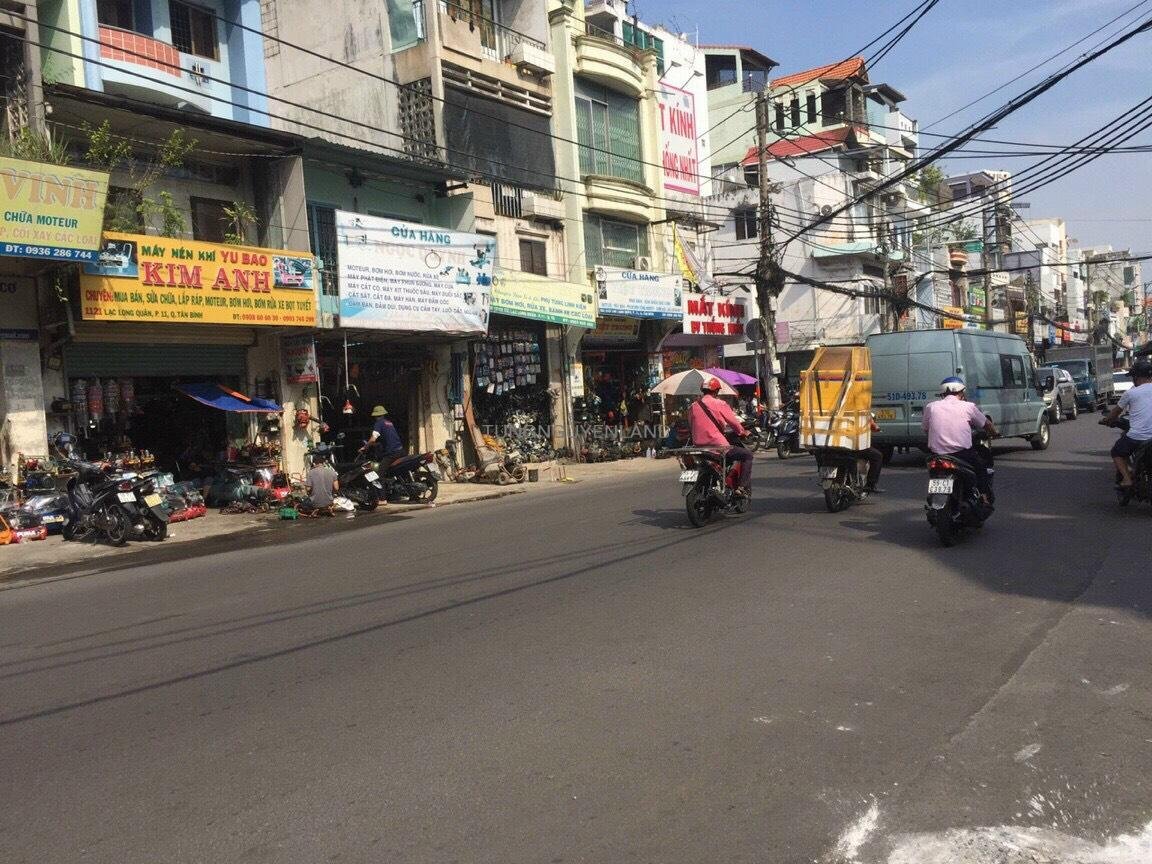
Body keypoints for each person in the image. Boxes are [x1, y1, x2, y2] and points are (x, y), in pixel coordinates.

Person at [922, 376, 998, 499]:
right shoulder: (968, 406)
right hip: (961, 454)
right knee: (981, 468)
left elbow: (926, 428)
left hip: (936, 455)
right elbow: (987, 424)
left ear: (942, 393)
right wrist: (995, 433)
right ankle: (984, 497)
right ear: (962, 392)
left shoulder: (931, 407)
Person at [688, 377, 753, 496]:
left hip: (698, 447)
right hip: (718, 447)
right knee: (747, 455)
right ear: (716, 391)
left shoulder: (693, 406)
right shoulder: (719, 403)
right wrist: (743, 432)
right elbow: (733, 422)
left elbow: (691, 424)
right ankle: (742, 487)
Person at [1100, 360, 1152, 488]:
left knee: (1116, 452)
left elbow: (1114, 413)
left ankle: (1127, 479)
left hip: (1138, 437)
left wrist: (1106, 420)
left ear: (1136, 377)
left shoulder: (1131, 393)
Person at [859, 413, 885, 494]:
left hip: (835, 447)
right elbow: (873, 426)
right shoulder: (862, 412)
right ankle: (871, 484)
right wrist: (877, 428)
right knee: (878, 456)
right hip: (856, 447)